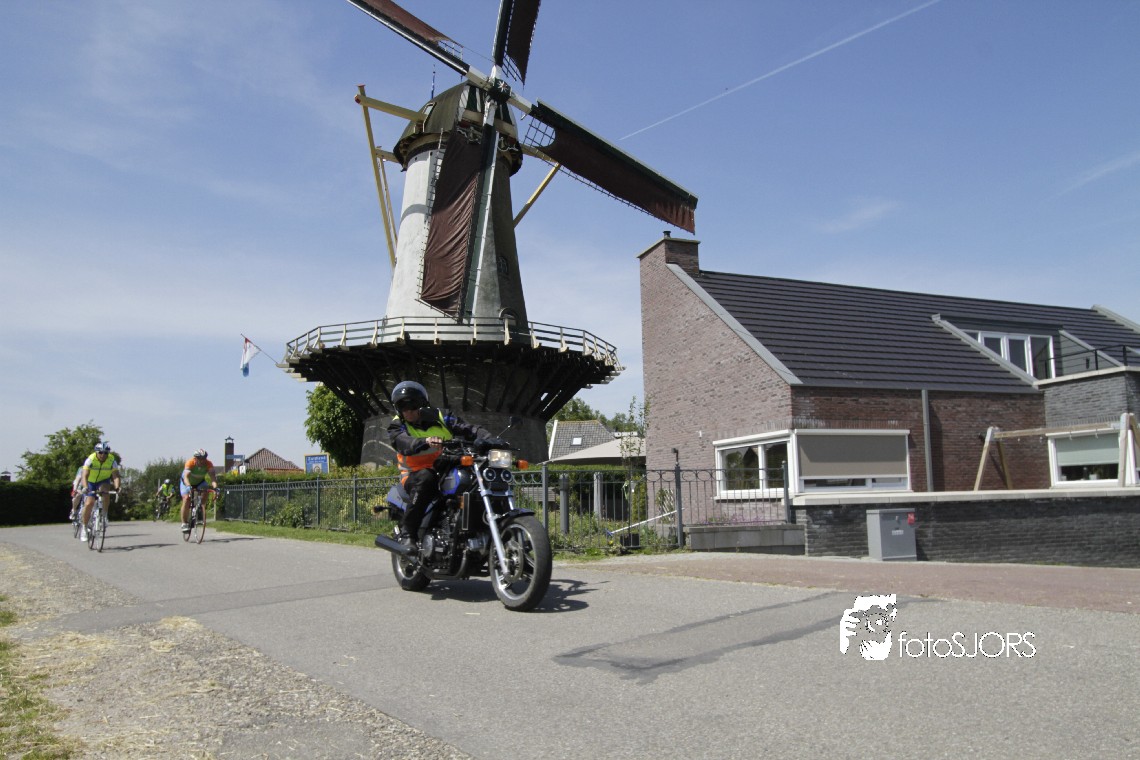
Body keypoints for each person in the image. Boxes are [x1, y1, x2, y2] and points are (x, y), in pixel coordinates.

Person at [386, 381, 494, 552]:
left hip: (446, 468)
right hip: (414, 473)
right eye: (403, 407)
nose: (408, 411)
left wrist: (489, 439)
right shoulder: (397, 424)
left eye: (412, 406)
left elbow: (468, 428)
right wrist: (424, 441)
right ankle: (408, 534)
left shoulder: (442, 416)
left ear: (421, 404)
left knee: (477, 478)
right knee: (426, 477)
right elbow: (402, 441)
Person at [78, 442, 121, 542]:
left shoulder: (112, 460)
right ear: (96, 452)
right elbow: (84, 475)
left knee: (105, 492)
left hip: (103, 480)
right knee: (89, 503)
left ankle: (104, 515)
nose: (103, 455)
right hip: (90, 481)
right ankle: (84, 527)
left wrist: (117, 488)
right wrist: (85, 487)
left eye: (105, 453)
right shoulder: (90, 459)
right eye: (100, 452)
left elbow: (115, 476)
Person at [180, 449, 218, 533]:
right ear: (195, 458)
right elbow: (186, 477)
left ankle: (200, 508)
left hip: (200, 482)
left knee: (206, 490)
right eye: (200, 459)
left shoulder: (208, 464)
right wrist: (188, 487)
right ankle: (184, 523)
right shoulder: (190, 463)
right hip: (186, 483)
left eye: (204, 458)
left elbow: (213, 478)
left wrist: (216, 489)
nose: (202, 461)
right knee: (186, 499)